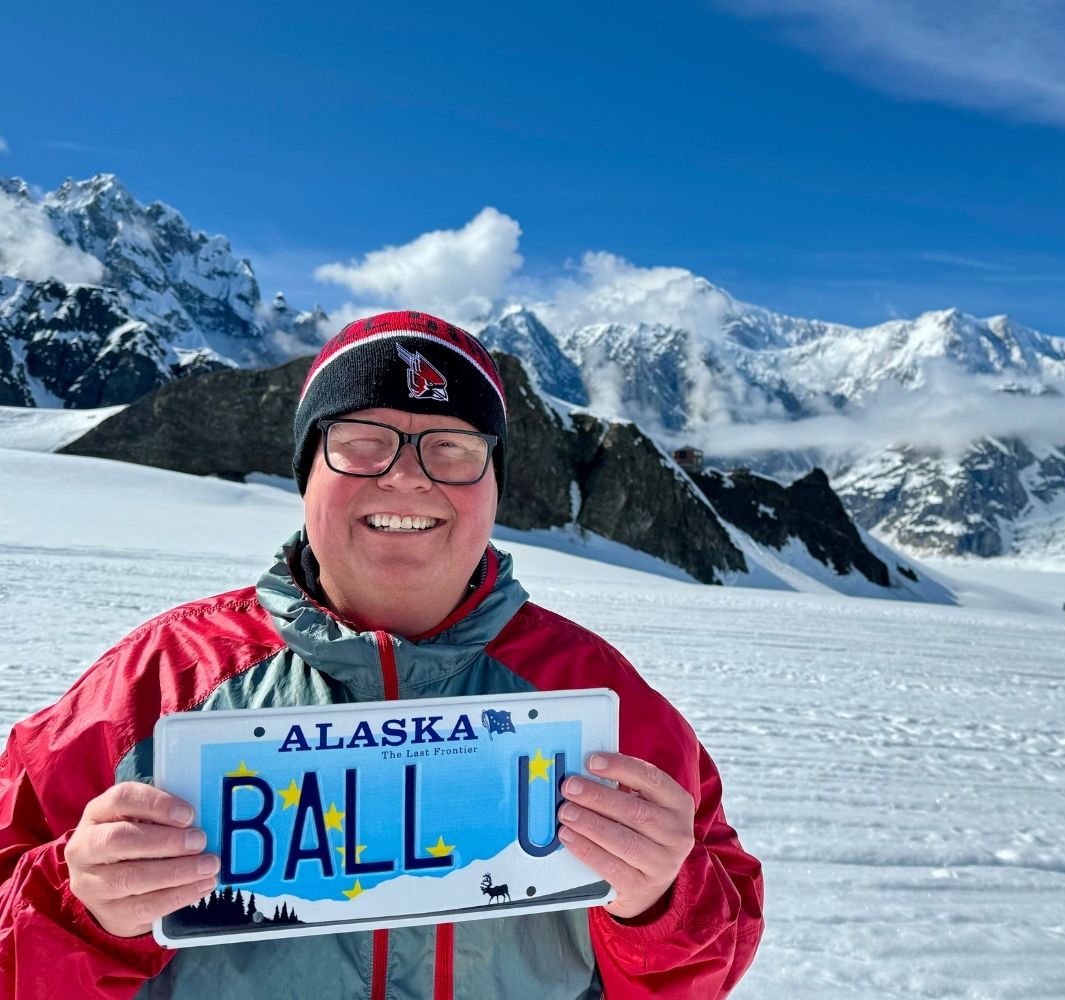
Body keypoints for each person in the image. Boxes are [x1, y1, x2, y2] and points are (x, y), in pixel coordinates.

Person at [0, 310, 764, 998]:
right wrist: (76, 904)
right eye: (361, 444)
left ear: (494, 487)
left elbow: (705, 958)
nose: (406, 476)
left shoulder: (599, 699)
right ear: (306, 476)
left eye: (453, 449)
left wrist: (664, 900)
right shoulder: (156, 685)